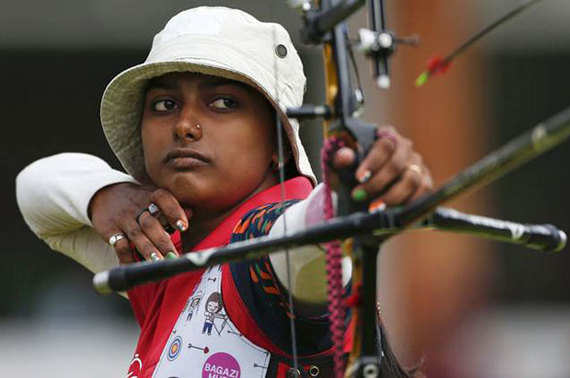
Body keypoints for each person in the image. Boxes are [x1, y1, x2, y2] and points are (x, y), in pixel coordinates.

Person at [16, 6, 431, 378]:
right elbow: (33, 189)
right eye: (164, 105)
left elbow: (302, 241)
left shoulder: (264, 242)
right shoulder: (161, 244)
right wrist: (105, 195)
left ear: (278, 142)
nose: (185, 126)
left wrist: (348, 194)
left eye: (224, 103)